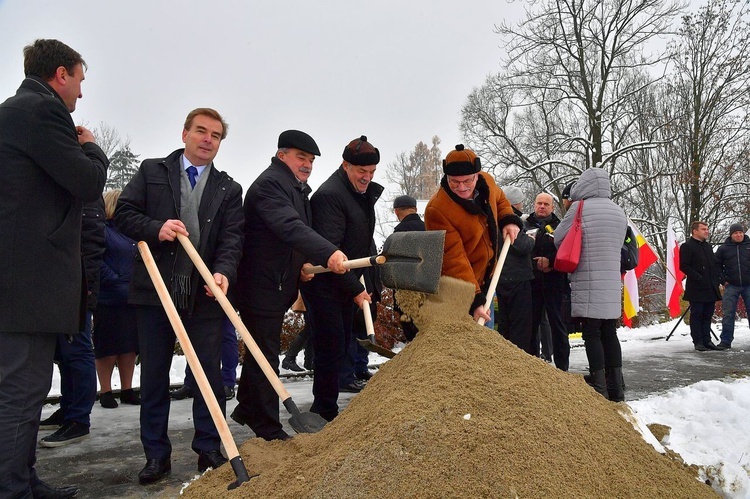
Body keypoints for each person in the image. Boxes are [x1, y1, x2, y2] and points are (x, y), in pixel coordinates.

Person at [0, 38, 108, 499]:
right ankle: (12, 489)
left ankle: (23, 480)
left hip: (18, 280)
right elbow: (85, 183)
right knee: (22, 392)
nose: (80, 94)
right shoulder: (42, 113)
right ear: (60, 75)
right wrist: (93, 149)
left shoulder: (14, 111)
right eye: (79, 80)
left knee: (22, 389)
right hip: (28, 283)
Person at [114, 108, 244, 484]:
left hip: (203, 294)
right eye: (200, 131)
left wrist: (224, 272)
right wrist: (157, 228)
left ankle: (208, 447)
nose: (207, 139)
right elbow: (124, 213)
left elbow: (233, 239)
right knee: (154, 376)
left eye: (215, 135)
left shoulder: (228, 188)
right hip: (155, 291)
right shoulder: (153, 172)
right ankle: (156, 455)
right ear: (185, 133)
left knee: (209, 376)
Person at [231, 130, 347, 438]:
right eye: (301, 157)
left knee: (260, 350)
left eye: (310, 160)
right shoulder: (271, 185)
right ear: (282, 155)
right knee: (266, 354)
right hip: (260, 285)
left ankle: (247, 407)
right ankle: (267, 426)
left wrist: (301, 268)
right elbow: (289, 227)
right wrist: (329, 252)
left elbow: (289, 241)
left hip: (278, 283)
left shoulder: (295, 187)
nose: (307, 164)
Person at [300, 135, 383, 422]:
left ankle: (327, 406)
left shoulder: (360, 194)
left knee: (340, 343)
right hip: (325, 285)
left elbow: (361, 242)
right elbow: (330, 253)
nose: (367, 177)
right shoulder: (330, 196)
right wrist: (355, 290)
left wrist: (366, 281)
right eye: (362, 172)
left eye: (372, 172)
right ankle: (323, 409)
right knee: (330, 346)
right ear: (345, 165)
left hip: (345, 281)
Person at [424, 144, 522, 324]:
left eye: (468, 181)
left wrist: (508, 218)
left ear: (477, 176)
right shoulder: (437, 209)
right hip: (459, 291)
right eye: (454, 182)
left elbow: (500, 200)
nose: (461, 187)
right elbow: (453, 259)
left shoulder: (488, 183)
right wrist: (474, 300)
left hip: (486, 282)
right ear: (447, 177)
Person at [554, 168, 627, 400]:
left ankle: (599, 385)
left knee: (592, 333)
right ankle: (616, 387)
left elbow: (559, 238)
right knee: (609, 332)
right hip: (612, 281)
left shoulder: (579, 207)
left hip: (589, 279)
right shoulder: (618, 211)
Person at [39, 197, 104, 447]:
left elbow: (92, 246)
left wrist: (83, 289)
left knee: (77, 351)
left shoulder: (87, 196)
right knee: (65, 355)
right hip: (59, 286)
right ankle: (67, 409)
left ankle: (79, 419)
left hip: (78, 287)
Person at [93, 189, 140, 408]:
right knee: (108, 346)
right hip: (109, 297)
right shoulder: (102, 230)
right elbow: (96, 260)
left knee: (129, 346)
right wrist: (115, 279)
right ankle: (105, 391)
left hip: (131, 297)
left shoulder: (130, 232)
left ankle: (127, 389)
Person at [525, 192, 570, 369]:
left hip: (555, 283)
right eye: (539, 203)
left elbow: (567, 252)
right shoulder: (524, 225)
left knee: (558, 326)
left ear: (552, 207)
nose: (542, 206)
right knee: (531, 326)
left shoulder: (561, 227)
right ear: (534, 205)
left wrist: (550, 262)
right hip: (532, 283)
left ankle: (562, 368)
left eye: (546, 204)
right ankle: (532, 365)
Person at [494, 186, 534, 353]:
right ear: (516, 204)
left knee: (505, 322)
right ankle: (518, 357)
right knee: (520, 324)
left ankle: (505, 356)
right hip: (517, 279)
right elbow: (522, 245)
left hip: (501, 278)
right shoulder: (511, 221)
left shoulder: (494, 219)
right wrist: (532, 239)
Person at [170, 316, 239, 401]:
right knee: (195, 336)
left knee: (226, 334)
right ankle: (191, 381)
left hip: (222, 306)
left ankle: (227, 382)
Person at [680, 221, 723, 352]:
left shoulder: (708, 247)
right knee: (697, 315)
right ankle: (698, 341)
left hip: (710, 287)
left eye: (707, 229)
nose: (707, 231)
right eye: (703, 229)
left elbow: (714, 265)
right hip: (697, 287)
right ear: (695, 231)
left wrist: (717, 279)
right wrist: (698, 277)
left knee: (707, 314)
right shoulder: (687, 246)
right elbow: (684, 266)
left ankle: (707, 340)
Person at [391, 194, 425, 341]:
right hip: (429, 293)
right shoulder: (428, 227)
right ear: (415, 209)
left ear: (396, 212)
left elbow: (395, 265)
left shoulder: (399, 233)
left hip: (407, 294)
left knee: (413, 337)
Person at [715, 223, 750, 349]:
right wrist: (722, 280)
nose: (739, 235)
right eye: (735, 233)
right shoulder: (723, 249)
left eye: (740, 232)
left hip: (748, 285)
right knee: (728, 314)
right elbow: (716, 265)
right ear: (731, 235)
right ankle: (725, 341)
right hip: (731, 286)